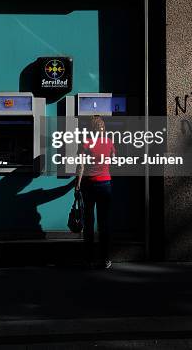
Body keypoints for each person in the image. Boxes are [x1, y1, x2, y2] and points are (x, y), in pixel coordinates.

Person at [75, 115, 115, 269]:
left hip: (88, 185)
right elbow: (113, 158)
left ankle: (89, 259)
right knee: (104, 223)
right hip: (105, 184)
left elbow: (81, 166)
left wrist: (77, 185)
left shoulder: (86, 143)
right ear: (103, 128)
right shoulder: (109, 142)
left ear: (91, 128)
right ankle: (105, 259)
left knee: (89, 222)